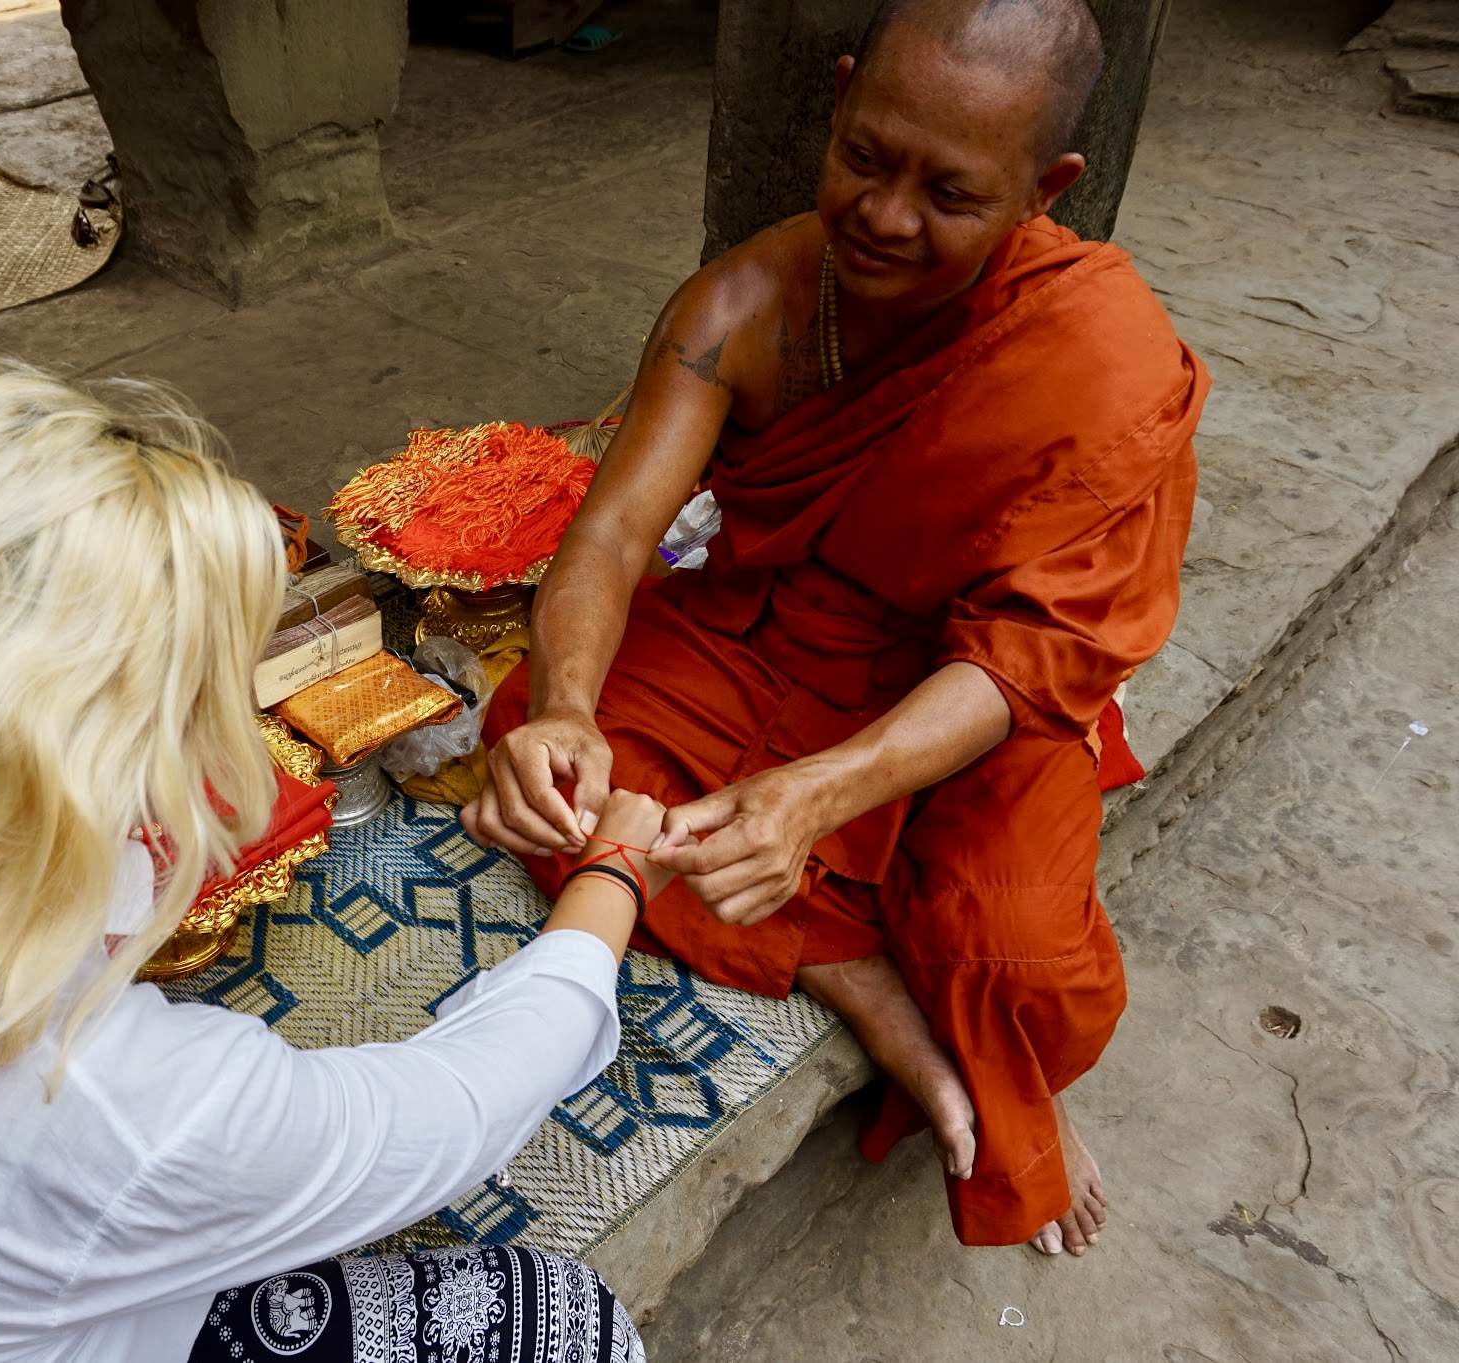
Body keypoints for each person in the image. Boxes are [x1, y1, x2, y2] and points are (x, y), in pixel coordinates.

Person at [0, 368, 660, 1362]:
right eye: (208, 691)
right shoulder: (130, 1108)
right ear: (104, 749)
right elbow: (460, 1106)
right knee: (558, 1316)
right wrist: (610, 875)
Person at [466, 0, 1208, 1260]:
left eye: (950, 194)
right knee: (555, 770)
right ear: (842, 93)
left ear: (1047, 189)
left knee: (1021, 960)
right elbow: (609, 537)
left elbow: (1036, 652)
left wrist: (817, 792)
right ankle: (865, 989)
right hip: (773, 632)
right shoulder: (738, 303)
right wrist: (568, 709)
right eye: (864, 157)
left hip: (971, 682)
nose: (885, 216)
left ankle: (934, 1005)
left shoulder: (1098, 350)